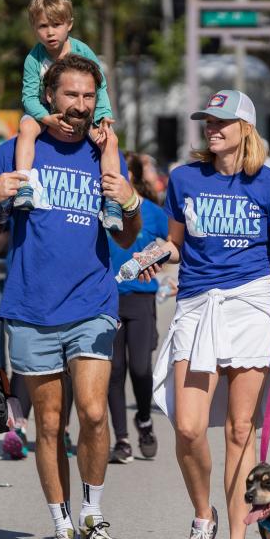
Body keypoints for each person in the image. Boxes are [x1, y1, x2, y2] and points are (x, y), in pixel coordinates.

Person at [0, 53, 141, 539]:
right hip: (31, 306)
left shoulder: (104, 151)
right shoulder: (13, 152)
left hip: (91, 300)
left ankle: (92, 514)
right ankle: (61, 528)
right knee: (49, 424)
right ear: (50, 97)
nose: (79, 107)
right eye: (70, 96)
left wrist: (131, 202)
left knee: (92, 411)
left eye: (88, 98)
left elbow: (126, 235)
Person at [142, 89, 270, 539]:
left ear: (245, 129)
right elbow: (173, 244)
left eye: (221, 121)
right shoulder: (184, 178)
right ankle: (203, 518)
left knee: (241, 431)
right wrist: (152, 255)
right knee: (188, 426)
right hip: (196, 304)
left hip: (252, 305)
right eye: (207, 121)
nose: (212, 128)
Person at [13, 0, 123, 232]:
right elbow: (29, 97)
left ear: (69, 25)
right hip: (46, 111)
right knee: (26, 127)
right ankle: (24, 184)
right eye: (43, 26)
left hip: (83, 115)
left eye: (56, 24)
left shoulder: (83, 51)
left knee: (109, 141)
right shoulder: (34, 59)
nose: (50, 32)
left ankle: (113, 202)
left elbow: (100, 86)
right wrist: (45, 118)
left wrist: (103, 115)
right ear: (34, 27)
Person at [106, 152, 168, 463]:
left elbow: (168, 248)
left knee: (141, 367)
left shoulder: (154, 212)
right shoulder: (102, 209)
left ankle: (143, 420)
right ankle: (122, 439)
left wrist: (160, 269)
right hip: (107, 298)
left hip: (141, 297)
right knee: (113, 370)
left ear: (129, 176)